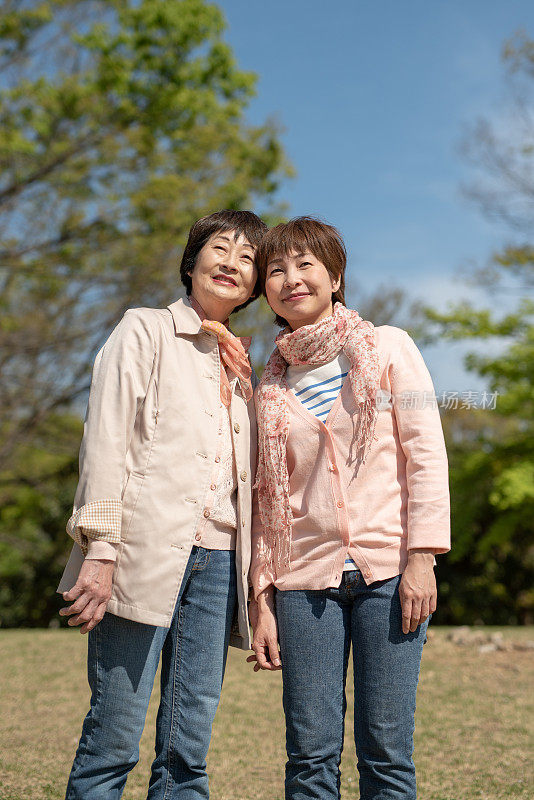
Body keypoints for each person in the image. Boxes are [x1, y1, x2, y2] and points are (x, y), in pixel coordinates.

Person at [57, 209, 266, 800]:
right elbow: (106, 440)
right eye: (220, 249)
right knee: (112, 740)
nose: (232, 263)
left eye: (248, 258)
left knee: (187, 751)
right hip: (140, 553)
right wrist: (100, 549)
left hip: (219, 561)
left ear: (254, 286)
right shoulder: (143, 329)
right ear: (192, 260)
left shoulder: (243, 364)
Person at [248, 216, 451, 800]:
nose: (291, 279)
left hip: (387, 572)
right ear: (266, 290)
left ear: (335, 277)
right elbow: (268, 499)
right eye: (277, 270)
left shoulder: (387, 346)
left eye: (305, 265)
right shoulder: (271, 383)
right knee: (309, 754)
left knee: (386, 752)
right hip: (303, 581)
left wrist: (423, 559)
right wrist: (263, 599)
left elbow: (425, 454)